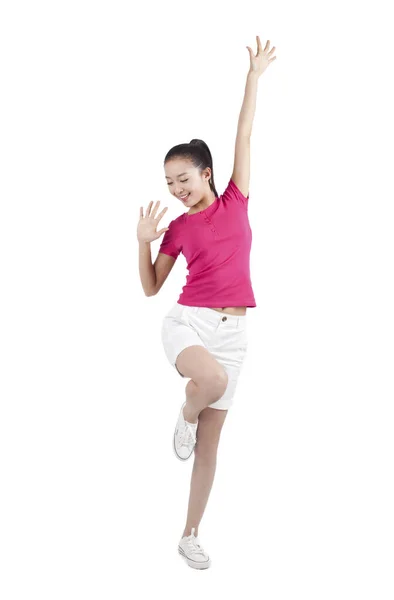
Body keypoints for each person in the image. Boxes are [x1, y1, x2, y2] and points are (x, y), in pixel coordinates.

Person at [137, 36, 276, 569]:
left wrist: (254, 77)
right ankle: (186, 410)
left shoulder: (237, 197)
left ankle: (190, 533)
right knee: (210, 384)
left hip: (234, 334)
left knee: (210, 448)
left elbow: (244, 131)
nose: (176, 189)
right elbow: (152, 288)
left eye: (184, 179)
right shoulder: (176, 227)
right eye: (169, 182)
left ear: (206, 173)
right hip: (187, 324)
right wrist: (142, 241)